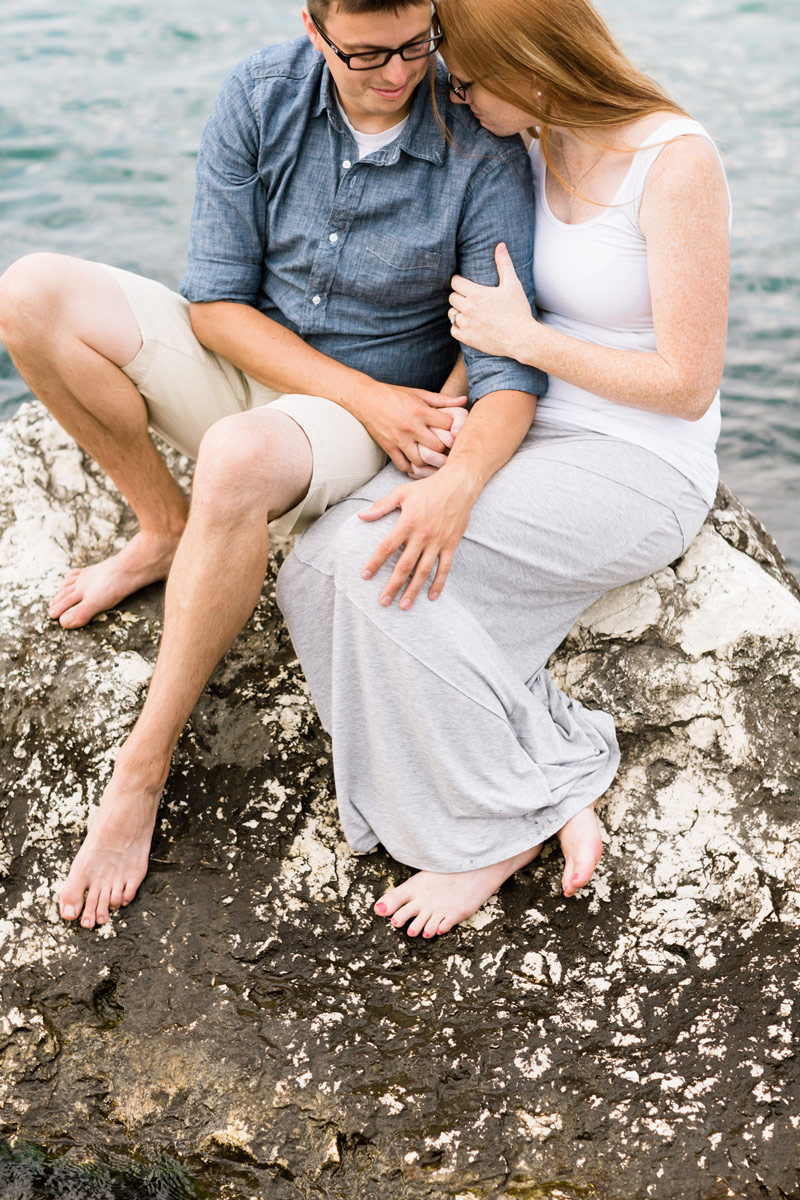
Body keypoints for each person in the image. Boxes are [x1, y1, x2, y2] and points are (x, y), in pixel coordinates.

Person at [0, 0, 546, 929]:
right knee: (30, 292)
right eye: (366, 53)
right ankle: (165, 527)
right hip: (252, 363)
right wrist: (359, 392)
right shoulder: (259, 93)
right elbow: (213, 304)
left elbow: (507, 366)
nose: (397, 73)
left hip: (356, 424)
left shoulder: (478, 144)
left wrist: (442, 464)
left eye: (418, 44)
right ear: (314, 25)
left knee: (239, 455)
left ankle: (143, 765)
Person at [276, 0, 731, 937]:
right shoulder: (528, 145)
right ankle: (545, 784)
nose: (454, 92)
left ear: (530, 66)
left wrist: (527, 344)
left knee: (379, 579)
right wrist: (456, 400)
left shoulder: (674, 160)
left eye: (469, 77)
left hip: (637, 459)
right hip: (521, 425)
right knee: (316, 570)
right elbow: (496, 318)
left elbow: (686, 384)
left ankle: (495, 829)